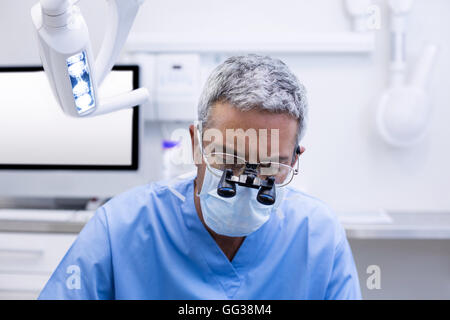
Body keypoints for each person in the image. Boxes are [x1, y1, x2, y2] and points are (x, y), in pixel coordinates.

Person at [38, 54, 361, 300]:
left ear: (294, 158)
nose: (244, 186)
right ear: (196, 144)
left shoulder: (317, 234)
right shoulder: (122, 226)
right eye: (228, 159)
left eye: (269, 167)